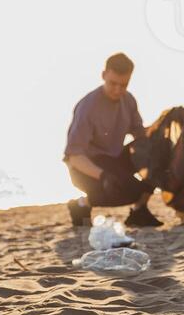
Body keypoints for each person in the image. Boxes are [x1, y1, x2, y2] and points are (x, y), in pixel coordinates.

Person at [63, 52, 160, 228]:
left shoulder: (128, 100)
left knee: (160, 151)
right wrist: (104, 176)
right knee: (125, 189)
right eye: (113, 84)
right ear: (104, 75)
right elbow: (74, 156)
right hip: (85, 166)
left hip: (113, 159)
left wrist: (163, 125)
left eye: (123, 85)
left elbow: (141, 135)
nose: (118, 90)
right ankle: (80, 205)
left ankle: (139, 211)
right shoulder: (88, 107)